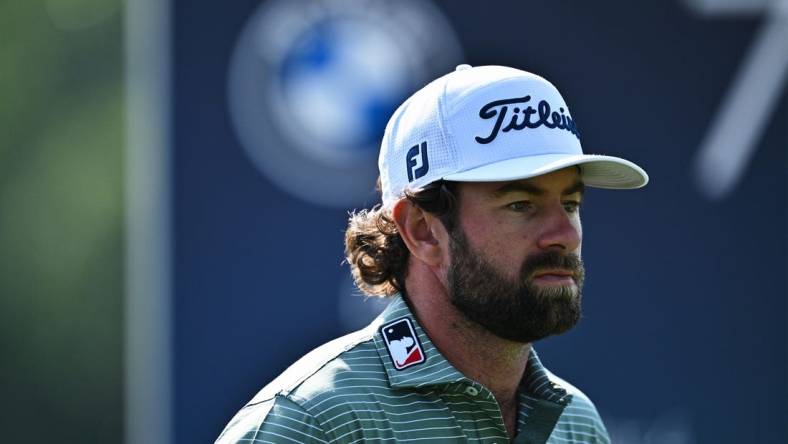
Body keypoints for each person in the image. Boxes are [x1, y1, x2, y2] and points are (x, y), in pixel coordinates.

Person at [216, 64, 648, 443]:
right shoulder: (314, 423)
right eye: (521, 204)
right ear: (423, 231)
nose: (564, 235)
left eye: (570, 205)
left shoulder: (576, 425)